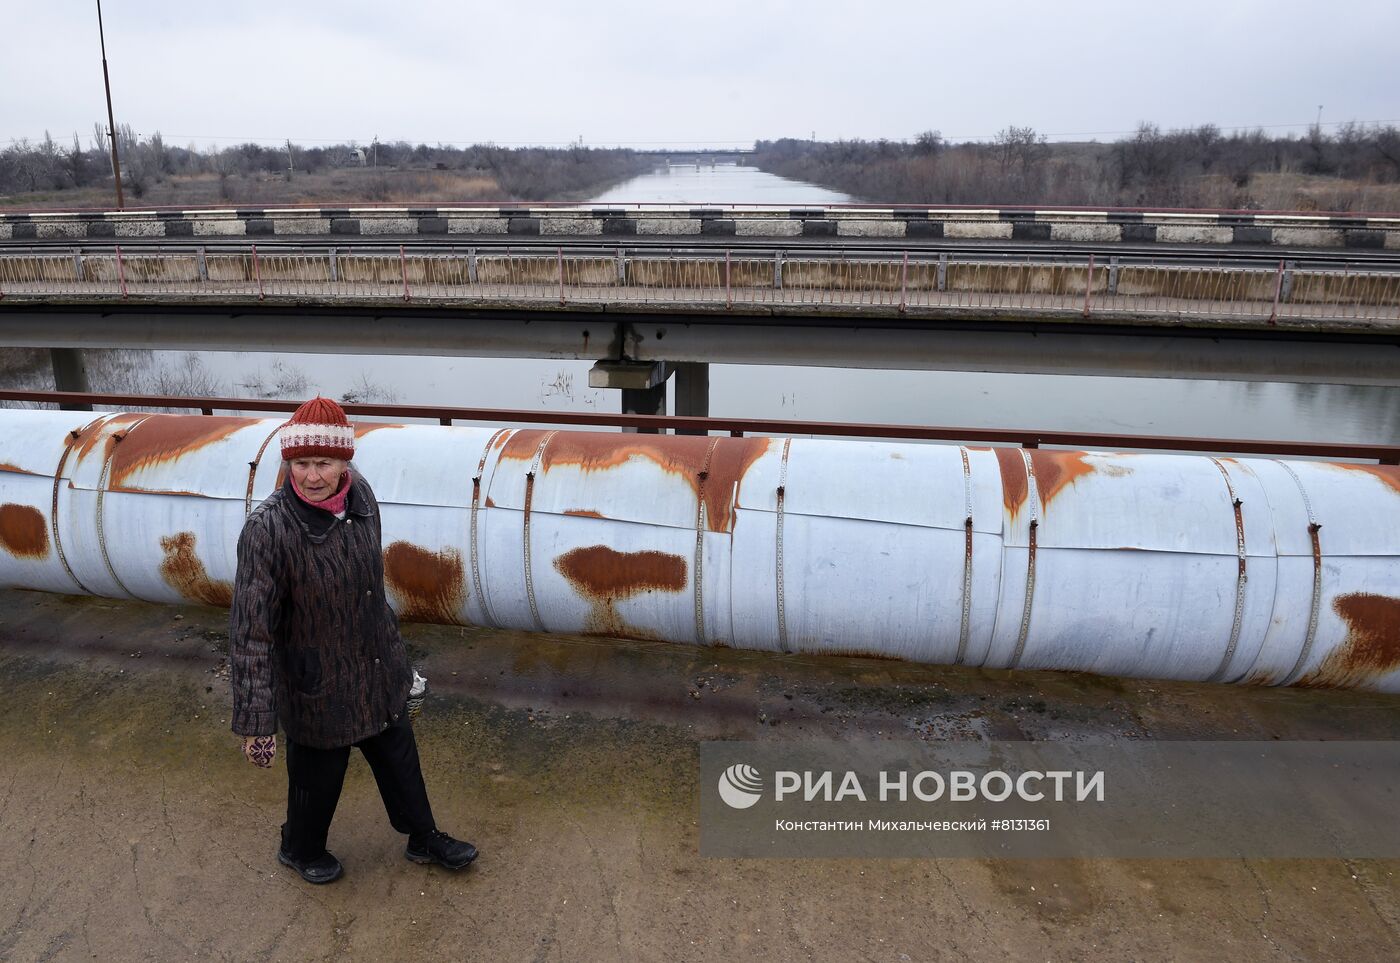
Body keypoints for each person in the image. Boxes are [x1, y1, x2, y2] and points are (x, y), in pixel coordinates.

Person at [229, 396, 477, 884]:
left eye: (323, 462)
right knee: (316, 781)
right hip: (316, 685)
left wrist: (397, 661)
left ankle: (422, 836)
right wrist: (257, 722)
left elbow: (372, 586)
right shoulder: (268, 530)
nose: (312, 476)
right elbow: (250, 632)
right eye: (300, 463)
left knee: (401, 760)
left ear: (345, 461)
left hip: (377, 668)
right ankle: (298, 848)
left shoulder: (362, 501)